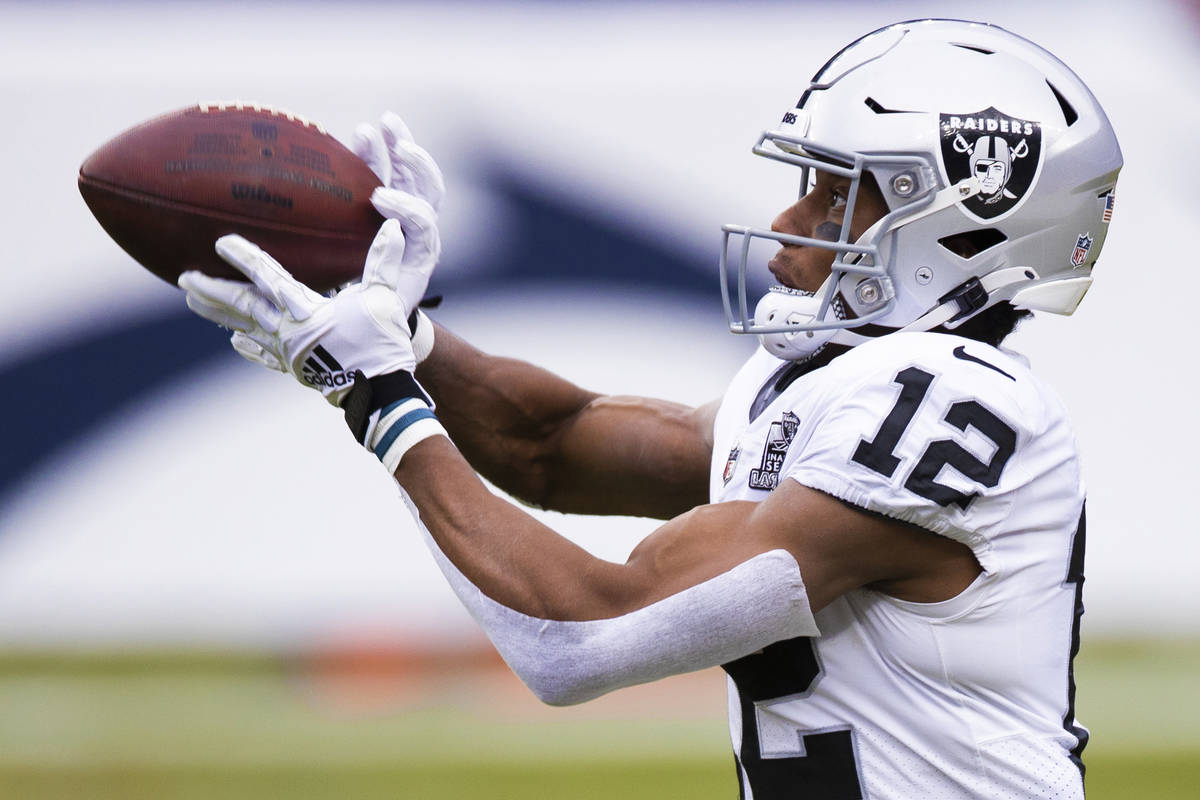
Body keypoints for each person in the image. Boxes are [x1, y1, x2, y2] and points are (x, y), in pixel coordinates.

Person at [179, 19, 1121, 800]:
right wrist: (408, 335)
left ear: (962, 230)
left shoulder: (957, 399)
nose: (790, 227)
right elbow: (553, 443)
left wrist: (380, 399)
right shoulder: (823, 383)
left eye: (837, 200)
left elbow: (582, 635)